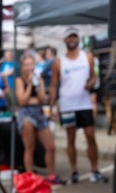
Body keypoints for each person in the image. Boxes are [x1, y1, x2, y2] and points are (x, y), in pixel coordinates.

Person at [50, 26, 108, 184]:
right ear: (65, 40)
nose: (72, 39)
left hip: (84, 104)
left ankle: (95, 170)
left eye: (74, 36)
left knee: (90, 136)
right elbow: (54, 85)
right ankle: (74, 170)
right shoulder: (59, 62)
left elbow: (94, 77)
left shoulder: (87, 56)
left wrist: (90, 83)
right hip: (67, 105)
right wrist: (52, 106)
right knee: (70, 138)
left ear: (78, 38)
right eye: (69, 37)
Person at [15, 55, 60, 184]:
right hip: (26, 114)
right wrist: (29, 85)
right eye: (27, 64)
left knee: (50, 146)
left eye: (31, 64)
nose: (29, 67)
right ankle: (30, 177)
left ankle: (51, 175)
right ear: (23, 67)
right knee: (30, 148)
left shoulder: (38, 78)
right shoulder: (19, 80)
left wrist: (37, 85)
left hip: (39, 113)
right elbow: (22, 100)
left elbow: (42, 99)